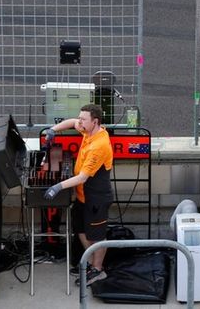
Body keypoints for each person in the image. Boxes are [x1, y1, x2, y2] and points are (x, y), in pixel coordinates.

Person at [42, 104, 114, 287]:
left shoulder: (99, 145)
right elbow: (72, 122)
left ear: (95, 121)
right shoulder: (88, 130)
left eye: (84, 119)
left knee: (97, 236)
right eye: (80, 118)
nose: (80, 122)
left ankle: (98, 270)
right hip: (82, 198)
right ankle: (90, 264)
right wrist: (52, 130)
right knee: (80, 229)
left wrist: (57, 187)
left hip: (96, 198)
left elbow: (82, 177)